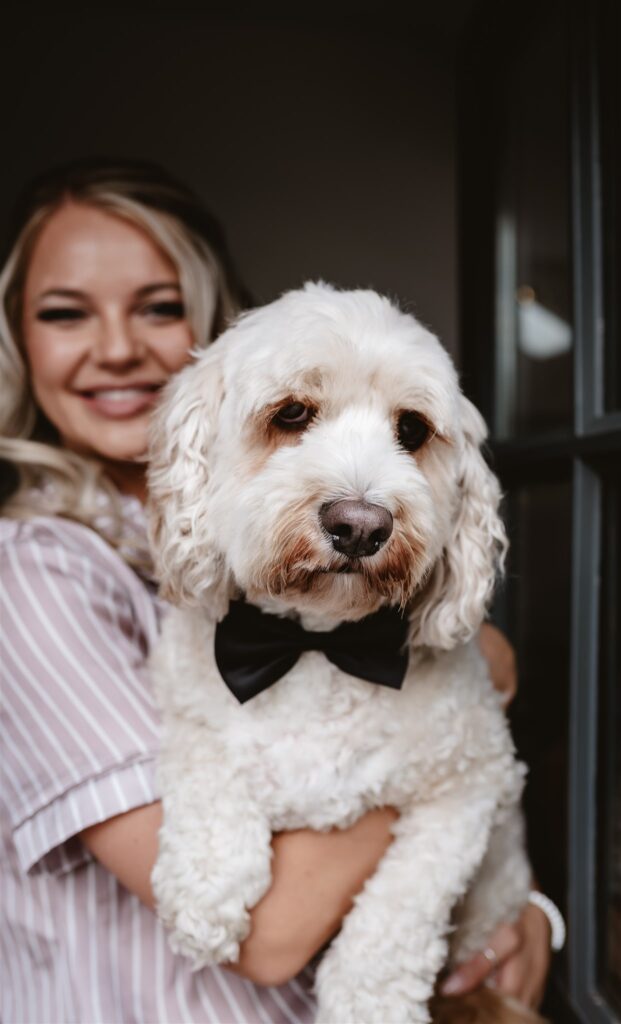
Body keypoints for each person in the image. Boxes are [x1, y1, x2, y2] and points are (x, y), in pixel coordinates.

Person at [0, 159, 552, 1023]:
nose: (115, 347)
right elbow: (266, 936)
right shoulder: (31, 571)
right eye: (64, 313)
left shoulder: (291, 531)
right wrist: (447, 758)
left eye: (158, 305)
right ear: (16, 341)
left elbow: (474, 669)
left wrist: (524, 914)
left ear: (214, 324)